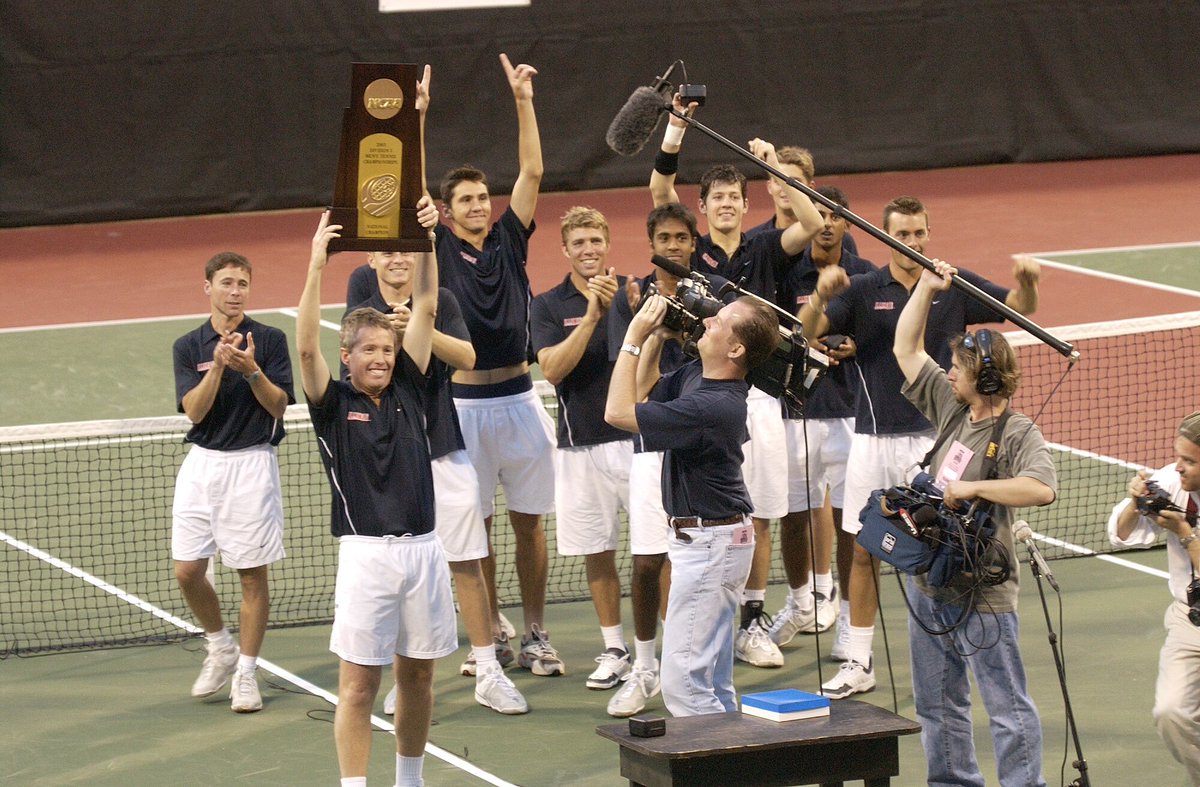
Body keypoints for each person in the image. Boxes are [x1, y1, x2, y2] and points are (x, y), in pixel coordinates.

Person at [799, 195, 1040, 698]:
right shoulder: (864, 288)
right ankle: (858, 659)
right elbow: (811, 332)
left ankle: (941, 653)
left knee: (935, 550)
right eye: (901, 234)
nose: (911, 243)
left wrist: (1028, 282)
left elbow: (1017, 310)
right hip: (871, 439)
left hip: (936, 440)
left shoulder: (954, 286)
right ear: (885, 236)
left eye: (919, 233)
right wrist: (821, 298)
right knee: (865, 550)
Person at [650, 102, 823, 669]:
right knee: (703, 514)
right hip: (702, 394)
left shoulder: (766, 247)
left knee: (762, 513)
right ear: (703, 208)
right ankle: (701, 625)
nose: (726, 204)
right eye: (717, 198)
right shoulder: (688, 251)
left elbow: (816, 225)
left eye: (735, 197)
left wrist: (775, 169)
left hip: (763, 400)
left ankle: (752, 621)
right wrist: (675, 127)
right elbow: (659, 191)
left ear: (748, 205)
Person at [299, 198, 455, 787]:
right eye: (370, 350)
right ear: (349, 356)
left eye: (387, 350)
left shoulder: (410, 389)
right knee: (359, 684)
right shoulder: (331, 404)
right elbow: (307, 345)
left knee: (418, 678)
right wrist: (317, 264)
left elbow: (430, 304)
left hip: (424, 551)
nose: (382, 358)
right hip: (367, 556)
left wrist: (430, 242)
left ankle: (409, 779)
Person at [893, 258, 1056, 787]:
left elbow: (1041, 487)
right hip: (930, 584)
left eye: (957, 369)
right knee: (937, 704)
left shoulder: (1016, 431)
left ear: (982, 376)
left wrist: (973, 487)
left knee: (1006, 709)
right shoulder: (952, 409)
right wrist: (925, 288)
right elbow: (905, 349)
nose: (948, 375)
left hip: (983, 594)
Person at [348, 244, 527, 714]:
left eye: (406, 252)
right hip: (393, 456)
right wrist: (397, 334)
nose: (396, 259)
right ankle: (403, 681)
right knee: (400, 571)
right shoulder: (363, 304)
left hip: (444, 451)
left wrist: (420, 326)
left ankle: (488, 670)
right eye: (386, 254)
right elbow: (365, 368)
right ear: (372, 262)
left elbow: (467, 356)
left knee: (467, 561)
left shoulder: (441, 301)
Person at [435, 54, 562, 676]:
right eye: (467, 199)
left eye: (484, 196)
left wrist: (522, 100)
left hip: (519, 399)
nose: (481, 205)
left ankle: (536, 630)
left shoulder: (511, 237)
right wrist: (419, 117)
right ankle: (492, 632)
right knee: (476, 530)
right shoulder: (435, 245)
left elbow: (533, 168)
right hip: (463, 408)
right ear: (447, 208)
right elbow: (405, 191)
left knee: (529, 528)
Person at [605, 289, 781, 716]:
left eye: (719, 322)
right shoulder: (699, 378)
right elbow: (644, 390)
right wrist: (656, 339)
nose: (707, 322)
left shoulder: (712, 405)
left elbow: (617, 412)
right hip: (713, 541)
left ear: (736, 348)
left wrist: (633, 333)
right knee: (712, 681)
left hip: (710, 546)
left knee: (683, 682)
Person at [601, 202, 735, 717]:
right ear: (652, 243)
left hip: (696, 447)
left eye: (683, 238)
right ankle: (644, 667)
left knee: (694, 563)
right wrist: (654, 330)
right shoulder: (632, 300)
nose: (674, 246)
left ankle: (699, 664)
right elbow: (633, 386)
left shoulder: (712, 301)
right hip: (649, 445)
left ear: (693, 244)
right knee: (647, 560)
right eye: (666, 238)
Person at [171, 250, 294, 714]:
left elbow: (279, 405)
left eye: (242, 283)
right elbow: (194, 411)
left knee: (250, 576)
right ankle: (219, 644)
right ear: (208, 287)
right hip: (202, 466)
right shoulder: (188, 346)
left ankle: (245, 670)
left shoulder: (270, 339)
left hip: (251, 466)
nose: (234, 291)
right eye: (226, 282)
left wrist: (252, 370)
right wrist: (220, 366)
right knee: (187, 570)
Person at [769, 186, 876, 652]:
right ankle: (801, 602)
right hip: (794, 414)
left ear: (848, 225)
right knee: (794, 515)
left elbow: (880, 340)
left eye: (837, 215)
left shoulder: (866, 276)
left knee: (850, 520)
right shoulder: (786, 268)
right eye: (821, 214)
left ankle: (851, 622)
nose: (828, 223)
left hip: (849, 415)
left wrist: (858, 346)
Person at [531, 206, 631, 692]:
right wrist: (591, 317)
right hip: (580, 447)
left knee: (661, 550)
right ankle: (615, 646)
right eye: (579, 243)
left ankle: (668, 646)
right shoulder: (548, 305)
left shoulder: (634, 293)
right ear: (565, 250)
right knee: (598, 551)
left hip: (640, 443)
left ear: (607, 243)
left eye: (596, 240)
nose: (588, 250)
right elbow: (552, 369)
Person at [1108, 411, 1200, 784]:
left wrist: (1183, 532)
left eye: (1190, 461)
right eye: (1178, 456)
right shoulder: (1170, 478)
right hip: (1188, 618)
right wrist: (1135, 502)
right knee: (1170, 712)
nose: (1178, 467)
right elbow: (1120, 534)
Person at [744, 144, 859, 257]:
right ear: (769, 187)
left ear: (810, 188)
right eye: (778, 182)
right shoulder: (752, 239)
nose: (785, 189)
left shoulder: (836, 237)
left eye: (794, 182)